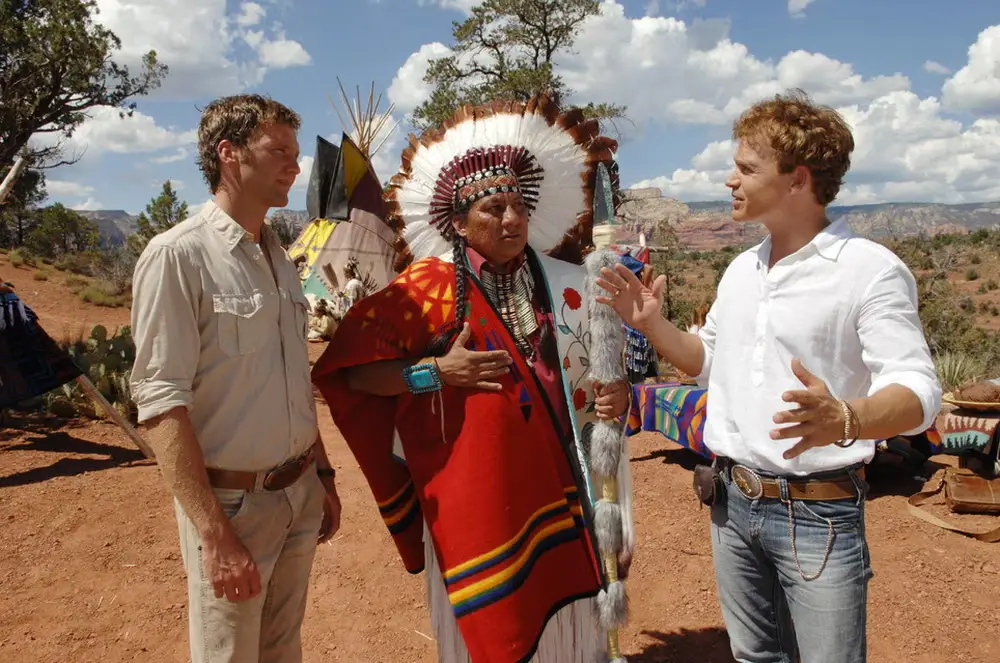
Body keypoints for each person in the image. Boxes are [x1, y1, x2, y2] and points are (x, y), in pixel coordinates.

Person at [597, 89, 941, 663]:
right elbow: (708, 362)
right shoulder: (742, 269)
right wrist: (653, 326)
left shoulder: (869, 270)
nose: (730, 180)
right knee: (755, 658)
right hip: (731, 505)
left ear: (798, 179)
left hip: (818, 514)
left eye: (746, 168)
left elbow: (921, 393)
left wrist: (846, 418)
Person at [312, 96, 633, 663]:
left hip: (566, 493)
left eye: (518, 205)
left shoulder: (564, 284)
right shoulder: (427, 289)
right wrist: (433, 372)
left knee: (573, 633)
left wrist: (615, 394)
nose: (511, 219)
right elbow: (351, 375)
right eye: (493, 208)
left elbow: (596, 384)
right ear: (458, 224)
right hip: (477, 505)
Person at [130, 93, 342, 663]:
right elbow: (159, 405)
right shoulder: (178, 256)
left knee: (281, 651)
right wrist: (212, 531)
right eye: (278, 151)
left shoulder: (277, 256)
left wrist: (320, 470)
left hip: (297, 495)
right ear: (229, 154)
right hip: (233, 506)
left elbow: (291, 376)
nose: (295, 165)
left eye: (296, 153)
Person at [619, 253, 658, 384]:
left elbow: (648, 268)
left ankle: (639, 385)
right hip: (629, 309)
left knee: (637, 345)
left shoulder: (621, 259)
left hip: (635, 308)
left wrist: (644, 289)